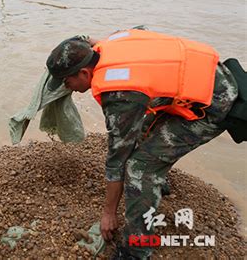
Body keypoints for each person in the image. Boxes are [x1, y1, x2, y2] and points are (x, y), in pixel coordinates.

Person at [45, 29, 239, 259]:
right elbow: (131, 32)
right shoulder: (109, 43)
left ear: (85, 73)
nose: (66, 88)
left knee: (139, 168)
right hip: (208, 77)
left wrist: (109, 213)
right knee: (144, 131)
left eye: (67, 81)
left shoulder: (119, 94)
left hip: (214, 104)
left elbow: (117, 158)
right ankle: (157, 184)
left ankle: (137, 250)